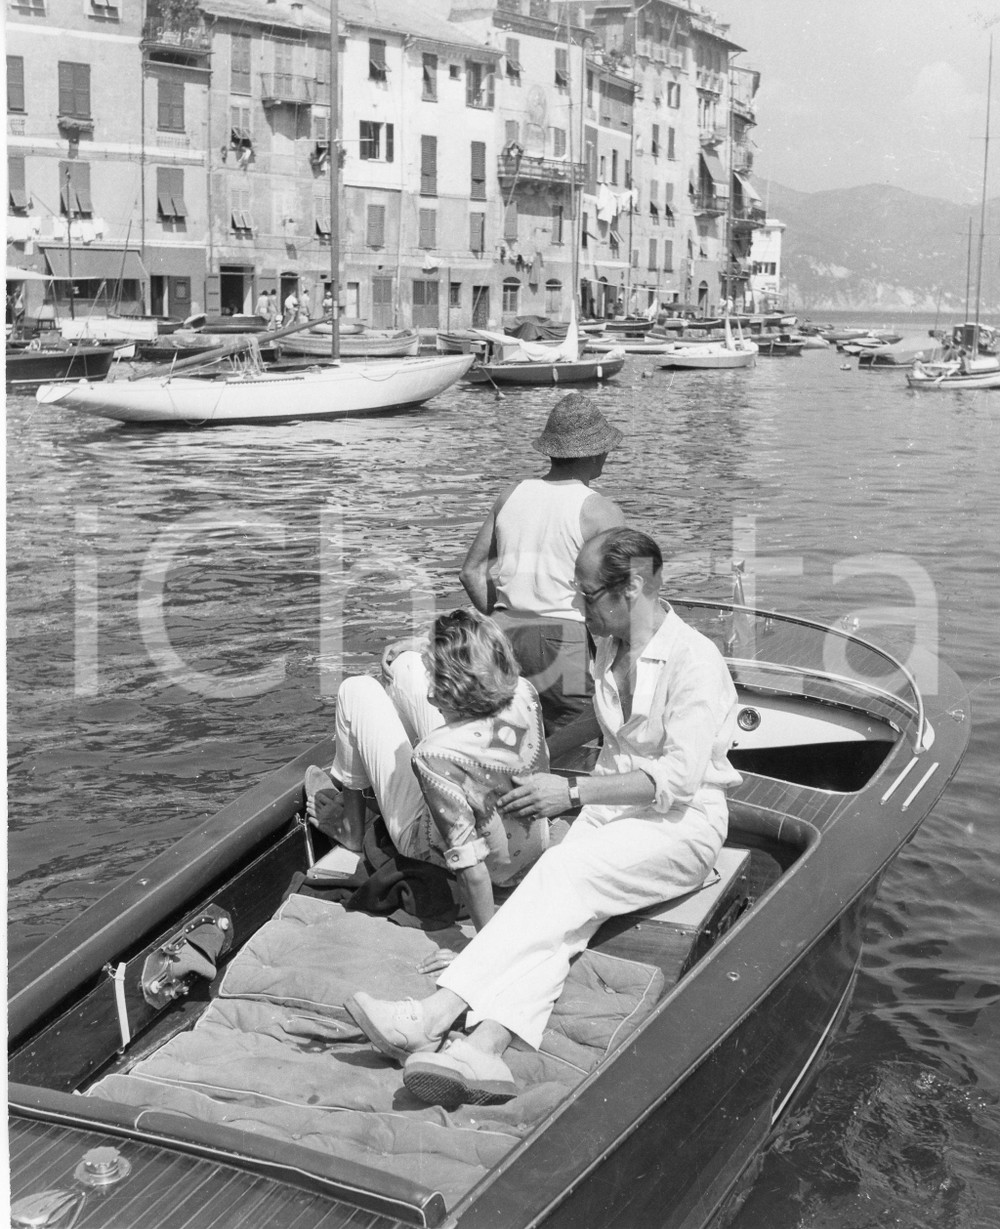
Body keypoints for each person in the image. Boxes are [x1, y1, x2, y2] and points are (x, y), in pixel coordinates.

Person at [347, 527, 742, 1108]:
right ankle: (485, 1048)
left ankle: (436, 1011)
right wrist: (535, 756)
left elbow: (677, 782)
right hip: (614, 813)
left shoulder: (695, 661)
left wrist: (572, 793)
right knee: (563, 920)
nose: (577, 607)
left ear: (630, 587)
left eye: (586, 595)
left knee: (560, 874)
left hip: (683, 825)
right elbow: (585, 709)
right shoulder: (611, 643)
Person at [305, 609, 553, 944]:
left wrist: (487, 949)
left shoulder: (434, 755)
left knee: (356, 689)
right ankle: (396, 737)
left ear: (446, 689)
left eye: (434, 679)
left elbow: (472, 868)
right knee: (404, 663)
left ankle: (351, 830)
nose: (430, 692)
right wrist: (423, 645)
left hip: (478, 862)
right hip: (530, 847)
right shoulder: (523, 691)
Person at [459, 393, 625, 734]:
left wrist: (500, 618)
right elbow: (623, 595)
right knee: (583, 729)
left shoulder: (511, 494)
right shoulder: (599, 509)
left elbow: (470, 571)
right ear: (594, 453)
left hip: (504, 630)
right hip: (562, 636)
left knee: (513, 729)